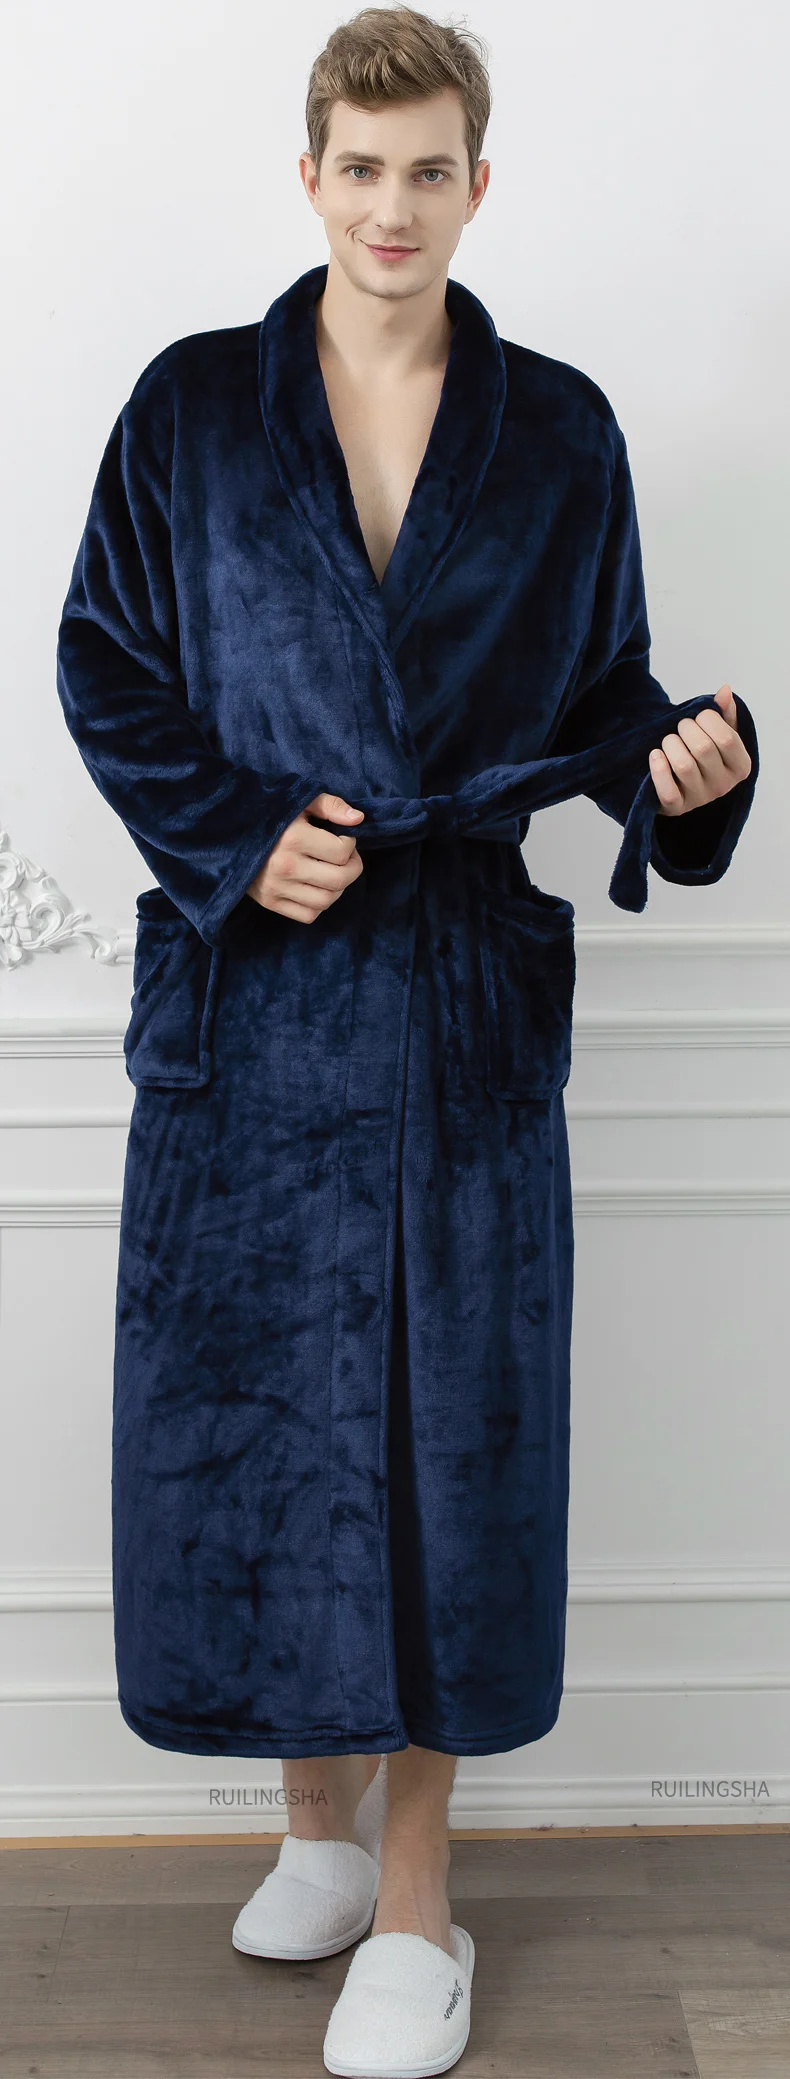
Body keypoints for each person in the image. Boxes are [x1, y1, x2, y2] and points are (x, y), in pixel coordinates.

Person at [55, 9, 757, 2075]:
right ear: (310, 178)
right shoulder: (192, 409)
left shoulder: (558, 434)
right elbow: (104, 663)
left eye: (425, 170)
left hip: (453, 992)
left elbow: (608, 701)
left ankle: (423, 1896)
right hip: (251, 996)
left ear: (475, 184)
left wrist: (682, 778)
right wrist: (231, 836)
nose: (389, 207)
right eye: (357, 170)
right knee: (268, 1421)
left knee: (451, 1438)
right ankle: (315, 1829)